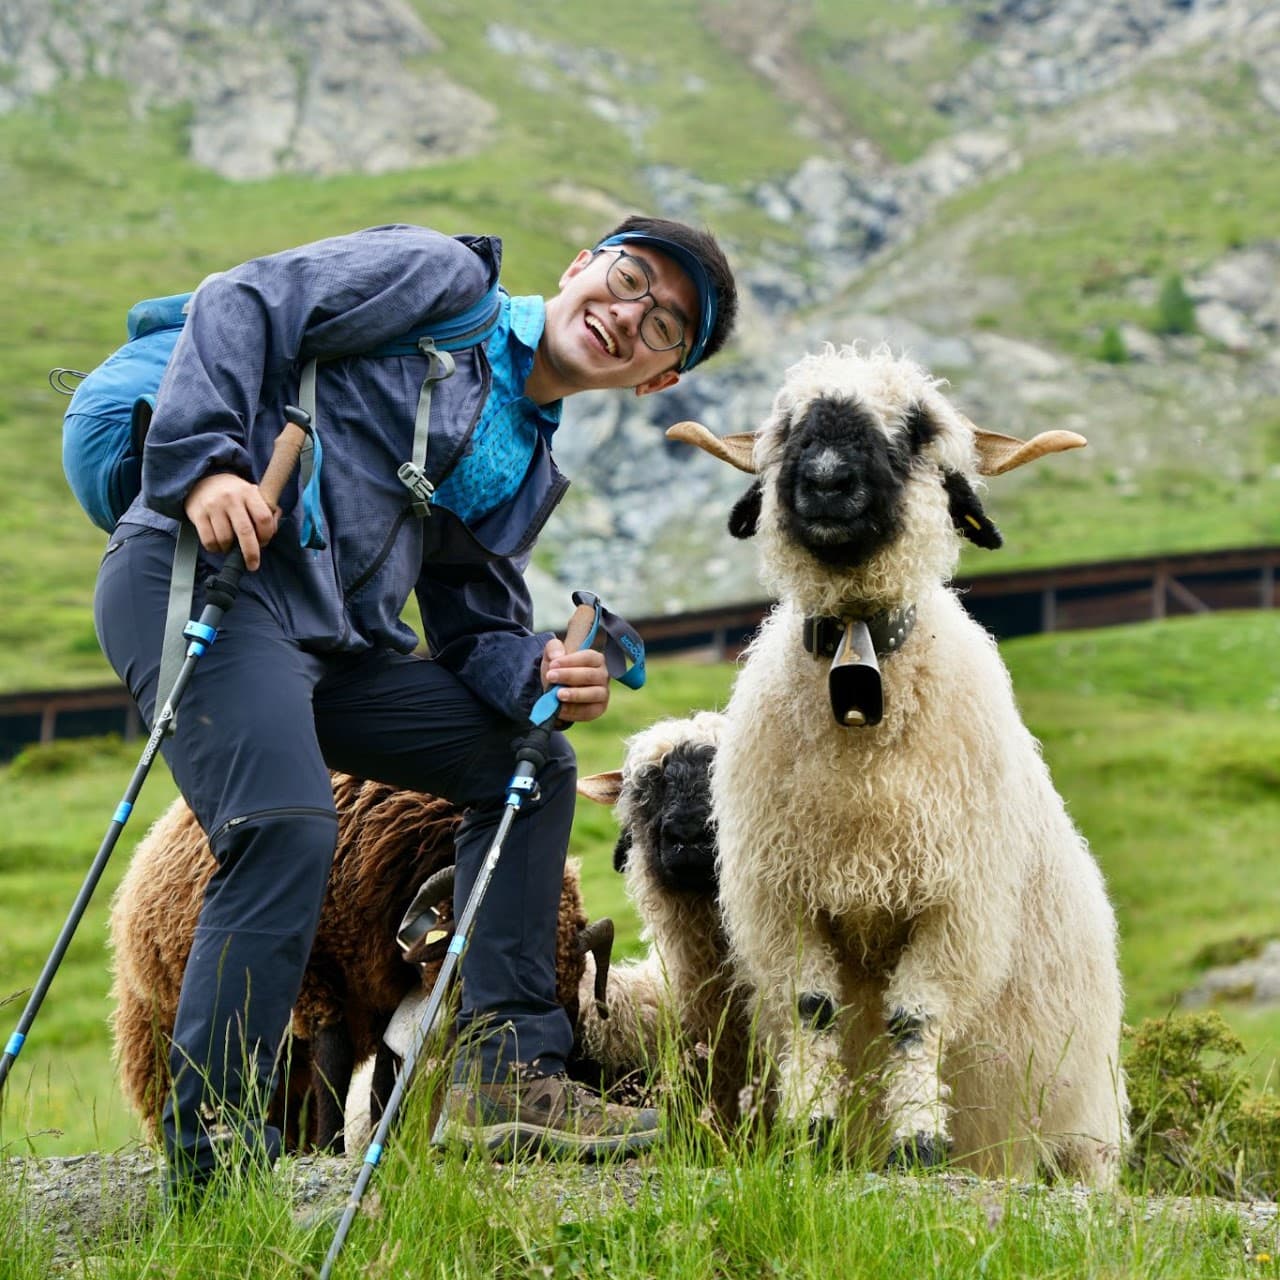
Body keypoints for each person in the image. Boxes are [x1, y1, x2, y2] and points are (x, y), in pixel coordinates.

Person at [93, 216, 738, 1195]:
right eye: (628, 278)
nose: (628, 314)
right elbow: (243, 296)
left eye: (663, 326)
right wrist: (206, 463)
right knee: (282, 823)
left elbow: (473, 627)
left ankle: (507, 1074)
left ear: (659, 378)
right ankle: (214, 1144)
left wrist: (543, 678)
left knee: (527, 764)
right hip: (210, 574)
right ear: (578, 268)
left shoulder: (524, 459)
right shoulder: (442, 281)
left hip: (335, 647)